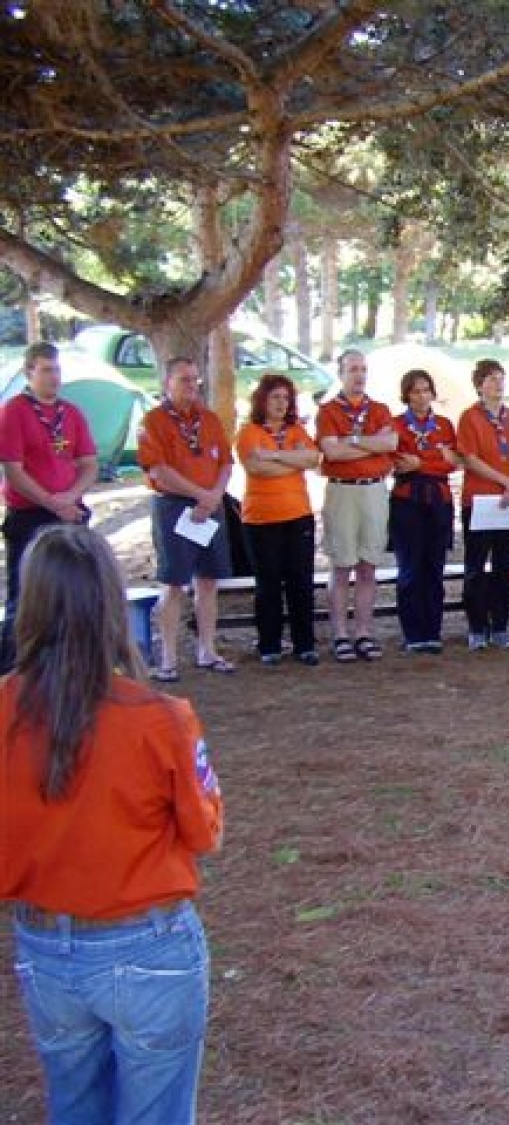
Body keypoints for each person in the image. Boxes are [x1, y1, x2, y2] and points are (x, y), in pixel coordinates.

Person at [1, 524, 224, 1123]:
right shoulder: (161, 718)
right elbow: (206, 833)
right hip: (148, 944)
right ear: (110, 604)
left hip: (44, 943)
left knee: (73, 1106)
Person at [0, 342, 98, 672]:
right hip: (30, 514)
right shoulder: (14, 411)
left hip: (70, 512)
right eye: (46, 370)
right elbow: (14, 470)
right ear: (29, 373)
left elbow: (89, 463)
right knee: (25, 595)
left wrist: (70, 497)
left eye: (56, 369)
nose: (53, 377)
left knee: (74, 591)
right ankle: (14, 672)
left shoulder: (72, 413)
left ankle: (71, 665)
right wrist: (51, 502)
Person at [137, 356, 235, 680]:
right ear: (167, 383)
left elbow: (226, 462)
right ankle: (167, 658)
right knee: (174, 582)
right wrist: (198, 494)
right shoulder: (154, 421)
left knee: (208, 581)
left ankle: (207, 649)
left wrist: (214, 496)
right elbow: (158, 469)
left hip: (209, 507)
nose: (191, 386)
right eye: (183, 380)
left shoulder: (209, 419)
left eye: (195, 380)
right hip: (175, 507)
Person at [233, 372, 321, 666]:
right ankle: (269, 644)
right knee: (268, 583)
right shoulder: (248, 433)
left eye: (286, 398)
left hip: (298, 515)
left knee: (301, 581)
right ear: (262, 400)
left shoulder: (296, 430)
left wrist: (272, 456)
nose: (281, 403)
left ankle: (304, 644)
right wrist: (291, 460)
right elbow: (257, 469)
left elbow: (313, 459)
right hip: (260, 519)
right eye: (275, 397)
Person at [315, 349, 397, 662]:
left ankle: (363, 631)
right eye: (352, 370)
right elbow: (331, 452)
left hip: (374, 490)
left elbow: (389, 444)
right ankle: (339, 634)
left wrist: (350, 440)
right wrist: (367, 444)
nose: (359, 375)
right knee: (342, 565)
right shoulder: (328, 411)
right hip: (342, 492)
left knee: (368, 565)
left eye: (363, 369)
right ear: (340, 374)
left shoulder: (379, 409)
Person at [456, 359, 509, 651]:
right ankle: (476, 626)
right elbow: (470, 458)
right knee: (475, 565)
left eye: (501, 378)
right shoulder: (469, 417)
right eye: (491, 379)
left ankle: (500, 625)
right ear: (479, 385)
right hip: (479, 499)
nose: (498, 384)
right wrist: (504, 480)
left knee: (504, 564)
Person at [390, 369, 458, 654]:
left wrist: (420, 462)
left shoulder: (443, 424)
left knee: (434, 567)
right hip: (408, 501)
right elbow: (398, 462)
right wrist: (433, 458)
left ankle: (433, 631)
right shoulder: (396, 425)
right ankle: (413, 633)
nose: (421, 396)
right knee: (410, 568)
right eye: (415, 391)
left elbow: (452, 462)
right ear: (406, 394)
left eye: (426, 390)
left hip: (439, 501)